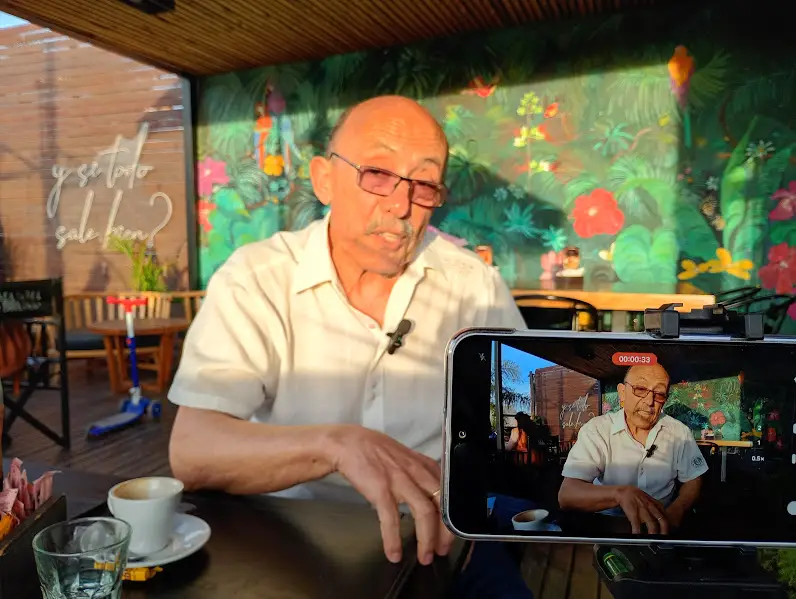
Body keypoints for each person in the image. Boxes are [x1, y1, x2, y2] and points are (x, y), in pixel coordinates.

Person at [167, 95, 532, 595]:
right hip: (289, 540)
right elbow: (192, 451)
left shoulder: (474, 287)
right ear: (324, 179)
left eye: (424, 184)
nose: (401, 206)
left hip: (440, 539)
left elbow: (525, 424)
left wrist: (469, 480)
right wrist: (335, 445)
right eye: (377, 174)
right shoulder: (257, 279)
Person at [557, 362, 708, 535]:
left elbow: (693, 478)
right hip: (608, 526)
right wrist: (619, 494)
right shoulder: (597, 430)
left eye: (659, 394)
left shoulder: (679, 432)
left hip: (662, 525)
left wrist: (677, 509)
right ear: (622, 393)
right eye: (640, 389)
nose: (649, 401)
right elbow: (567, 495)